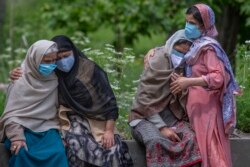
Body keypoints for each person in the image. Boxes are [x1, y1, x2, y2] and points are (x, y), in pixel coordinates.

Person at [10, 35, 133, 167]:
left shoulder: (90, 70)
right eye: (58, 58)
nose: (62, 62)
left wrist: (109, 131)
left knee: (112, 149)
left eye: (66, 56)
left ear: (74, 51)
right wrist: (14, 73)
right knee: (75, 145)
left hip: (98, 119)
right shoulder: (53, 71)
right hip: (70, 117)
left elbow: (110, 103)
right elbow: (34, 68)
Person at [170, 4, 241, 167]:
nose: (188, 26)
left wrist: (188, 82)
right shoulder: (195, 45)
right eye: (187, 22)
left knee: (212, 153)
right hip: (197, 110)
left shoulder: (208, 48)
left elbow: (218, 78)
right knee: (202, 154)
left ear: (204, 25)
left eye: (192, 23)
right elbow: (169, 46)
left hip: (208, 111)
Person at [129, 30, 202, 167]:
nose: (180, 57)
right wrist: (162, 128)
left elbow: (186, 100)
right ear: (172, 46)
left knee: (191, 138)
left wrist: (182, 89)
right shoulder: (157, 61)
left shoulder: (184, 67)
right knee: (155, 141)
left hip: (171, 117)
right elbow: (144, 99)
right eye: (178, 52)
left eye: (184, 54)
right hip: (144, 117)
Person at [0, 40, 68, 167]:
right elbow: (11, 115)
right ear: (34, 59)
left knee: (58, 152)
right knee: (22, 151)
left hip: (48, 128)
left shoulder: (56, 79)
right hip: (22, 129)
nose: (52, 65)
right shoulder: (19, 81)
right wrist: (17, 137)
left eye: (54, 60)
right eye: (47, 61)